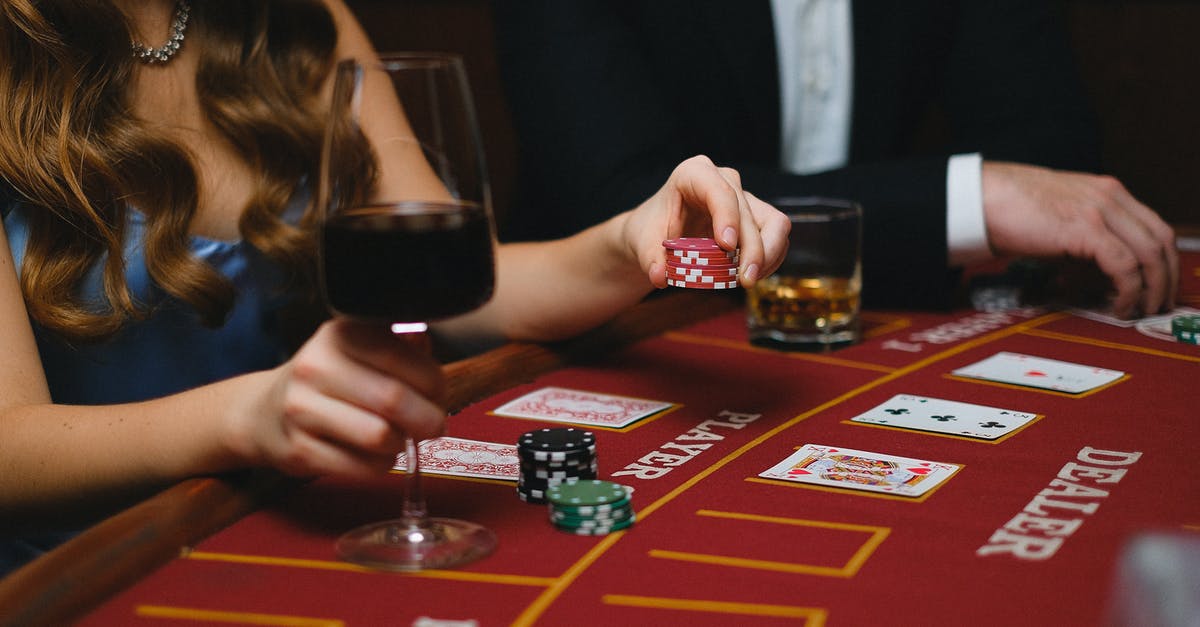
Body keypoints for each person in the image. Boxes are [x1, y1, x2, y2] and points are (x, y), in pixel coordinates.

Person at [0, 0, 789, 575]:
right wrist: (247, 415)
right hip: (86, 578)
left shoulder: (296, 18)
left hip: (283, 531)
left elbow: (468, 283)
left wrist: (631, 240)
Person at [491, 0, 1179, 318]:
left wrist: (990, 196)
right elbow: (628, 200)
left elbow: (1053, 160)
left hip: (867, 320)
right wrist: (973, 201)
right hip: (605, 337)